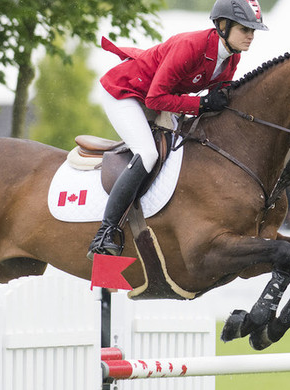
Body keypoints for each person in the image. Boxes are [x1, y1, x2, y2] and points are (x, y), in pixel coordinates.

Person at [88, 0, 268, 259]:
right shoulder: (190, 46)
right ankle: (106, 231)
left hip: (161, 97)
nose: (251, 36)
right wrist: (202, 103)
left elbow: (218, 98)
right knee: (147, 153)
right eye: (245, 29)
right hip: (126, 92)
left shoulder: (232, 56)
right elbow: (154, 99)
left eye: (254, 31)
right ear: (223, 26)